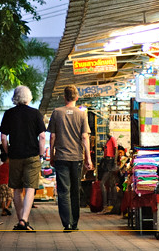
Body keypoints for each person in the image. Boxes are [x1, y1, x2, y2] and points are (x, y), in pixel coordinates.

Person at [0, 85, 46, 232]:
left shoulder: (9, 113)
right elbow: (43, 136)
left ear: (15, 97)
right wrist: (41, 153)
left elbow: (3, 137)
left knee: (16, 189)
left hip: (15, 156)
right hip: (32, 156)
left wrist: (8, 151)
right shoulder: (35, 113)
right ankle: (24, 220)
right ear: (29, 97)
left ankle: (20, 220)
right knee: (30, 187)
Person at [48, 85, 93, 232]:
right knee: (75, 189)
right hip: (76, 158)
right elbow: (85, 136)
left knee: (63, 191)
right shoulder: (82, 114)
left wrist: (52, 155)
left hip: (61, 157)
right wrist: (88, 158)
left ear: (64, 97)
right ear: (77, 97)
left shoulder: (56, 113)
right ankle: (75, 223)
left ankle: (66, 223)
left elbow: (53, 136)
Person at [99, 134, 118, 213]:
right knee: (111, 184)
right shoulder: (109, 140)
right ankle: (112, 206)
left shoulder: (112, 138)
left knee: (102, 183)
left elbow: (116, 149)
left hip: (110, 162)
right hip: (108, 162)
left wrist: (115, 162)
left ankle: (105, 206)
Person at [0, 152, 13, 216]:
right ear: (7, 159)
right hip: (8, 183)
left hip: (1, 183)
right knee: (10, 196)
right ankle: (7, 207)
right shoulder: (10, 166)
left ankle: (3, 211)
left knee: (3, 197)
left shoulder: (0, 167)